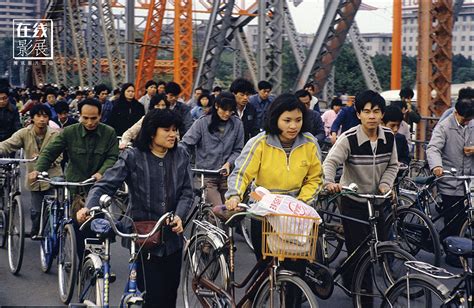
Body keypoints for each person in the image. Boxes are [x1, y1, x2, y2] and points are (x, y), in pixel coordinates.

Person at [79, 109, 193, 308]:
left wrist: (180, 216)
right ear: (151, 132)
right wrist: (90, 207)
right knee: (154, 298)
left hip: (173, 239)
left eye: (175, 129)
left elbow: (187, 192)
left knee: (169, 297)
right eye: (166, 130)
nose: (172, 134)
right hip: (143, 238)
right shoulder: (133, 156)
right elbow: (105, 185)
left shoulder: (181, 154)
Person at [225, 93, 323, 267]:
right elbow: (242, 173)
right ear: (275, 118)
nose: (293, 126)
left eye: (298, 120)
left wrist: (301, 203)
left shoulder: (309, 143)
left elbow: (315, 178)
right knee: (265, 267)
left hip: (295, 216)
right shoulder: (260, 142)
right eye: (287, 120)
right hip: (264, 211)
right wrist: (234, 195)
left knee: (296, 268)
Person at [323, 90, 398, 306]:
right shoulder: (349, 138)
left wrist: (385, 184)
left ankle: (346, 269)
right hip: (353, 202)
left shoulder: (389, 137)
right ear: (358, 115)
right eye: (366, 112)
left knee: (380, 246)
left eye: (376, 111)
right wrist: (330, 182)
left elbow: (393, 165)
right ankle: (364, 300)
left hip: (378, 201)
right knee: (363, 253)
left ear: (382, 114)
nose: (371, 116)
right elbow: (330, 162)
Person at [0, 105, 62, 238]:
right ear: (32, 118)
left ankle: (54, 232)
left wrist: (47, 160)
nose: (41, 120)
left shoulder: (55, 134)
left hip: (52, 175)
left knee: (54, 208)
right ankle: (36, 231)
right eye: (38, 116)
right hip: (34, 177)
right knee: (36, 210)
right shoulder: (24, 133)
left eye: (45, 116)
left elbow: (60, 154)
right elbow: (8, 144)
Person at [426, 95, 474, 266]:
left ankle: (458, 247)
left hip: (467, 180)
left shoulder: (471, 123)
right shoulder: (444, 127)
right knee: (453, 219)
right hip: (449, 179)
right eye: (464, 119)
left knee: (463, 217)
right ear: (455, 112)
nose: (466, 123)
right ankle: (451, 253)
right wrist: (437, 167)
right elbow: (432, 149)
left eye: (469, 120)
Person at [181, 92, 244, 206]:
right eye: (224, 110)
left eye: (231, 111)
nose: (227, 114)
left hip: (228, 177)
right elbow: (185, 144)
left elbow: (238, 150)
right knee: (217, 209)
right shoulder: (202, 122)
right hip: (207, 176)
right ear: (216, 106)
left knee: (231, 211)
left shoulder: (237, 124)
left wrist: (229, 163)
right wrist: (182, 163)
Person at [229, 78, 259, 143]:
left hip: (245, 146)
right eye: (242, 95)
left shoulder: (251, 109)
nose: (245, 98)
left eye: (247, 95)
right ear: (234, 94)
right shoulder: (228, 109)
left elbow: (255, 130)